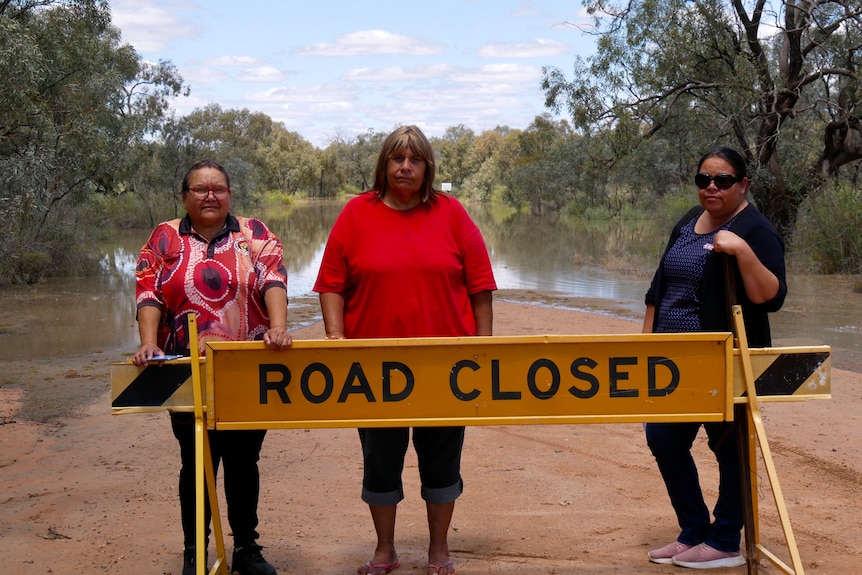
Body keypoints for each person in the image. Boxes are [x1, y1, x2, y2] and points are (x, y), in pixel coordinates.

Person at [313, 125, 496, 575]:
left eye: (415, 160)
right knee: (380, 460)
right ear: (384, 165)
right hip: (372, 367)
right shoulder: (356, 213)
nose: (406, 167)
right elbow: (331, 284)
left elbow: (481, 285)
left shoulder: (452, 213)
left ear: (427, 168)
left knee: (441, 460)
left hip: (446, 366)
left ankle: (438, 552)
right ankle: (385, 550)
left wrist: (487, 349)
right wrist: (336, 339)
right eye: (397, 159)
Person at [133, 159, 291, 575]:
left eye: (218, 189)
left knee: (244, 460)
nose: (210, 196)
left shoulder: (254, 233)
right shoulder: (164, 237)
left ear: (230, 195)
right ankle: (194, 553)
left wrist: (278, 329)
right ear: (184, 196)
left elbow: (273, 279)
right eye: (200, 189)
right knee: (196, 460)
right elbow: (148, 293)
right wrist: (148, 344)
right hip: (185, 370)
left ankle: (247, 550)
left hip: (246, 368)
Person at [642, 147, 787, 569]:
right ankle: (693, 532)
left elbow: (770, 297)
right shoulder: (689, 220)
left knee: (729, 447)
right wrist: (646, 348)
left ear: (742, 184)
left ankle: (724, 540)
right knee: (663, 440)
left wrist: (741, 251)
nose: (711, 187)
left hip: (725, 360)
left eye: (722, 180)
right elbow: (658, 289)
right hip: (673, 362)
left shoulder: (755, 230)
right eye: (703, 179)